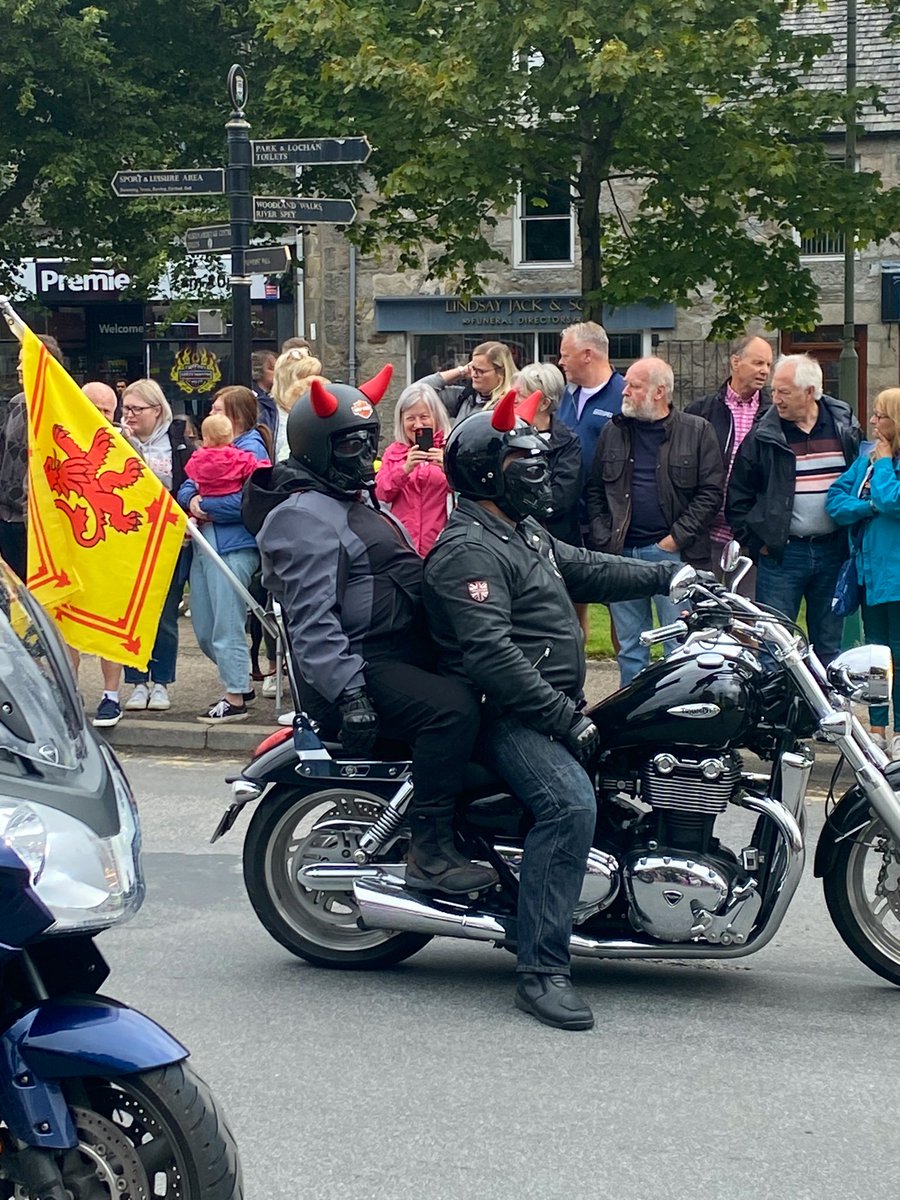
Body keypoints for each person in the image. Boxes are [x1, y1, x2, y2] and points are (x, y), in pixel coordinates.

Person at [423, 394, 679, 1031]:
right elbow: (491, 658)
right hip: (508, 714)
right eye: (523, 463)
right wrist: (564, 719)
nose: (539, 474)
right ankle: (541, 971)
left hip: (543, 706)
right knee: (570, 806)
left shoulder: (519, 530)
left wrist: (671, 577)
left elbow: (583, 567)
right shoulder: (469, 551)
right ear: (489, 472)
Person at [243, 366, 497, 895]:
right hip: (361, 666)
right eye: (351, 447)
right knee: (451, 710)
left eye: (369, 444)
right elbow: (311, 619)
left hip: (394, 653)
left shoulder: (348, 500)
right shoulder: (303, 515)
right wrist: (350, 692)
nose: (366, 458)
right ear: (317, 449)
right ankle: (429, 851)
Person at [586, 357, 724, 685]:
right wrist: (604, 536)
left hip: (673, 556)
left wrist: (674, 540)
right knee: (631, 647)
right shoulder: (613, 431)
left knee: (681, 643)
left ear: (659, 391)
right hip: (622, 556)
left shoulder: (697, 431)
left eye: (634, 385)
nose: (625, 391)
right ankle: (634, 720)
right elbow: (594, 491)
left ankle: (677, 716)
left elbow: (711, 494)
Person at [727, 353, 862, 667]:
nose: (775, 399)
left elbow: (859, 479)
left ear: (810, 392)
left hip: (833, 551)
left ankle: (826, 713)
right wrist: (759, 543)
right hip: (783, 556)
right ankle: (777, 716)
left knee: (829, 646)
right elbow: (738, 497)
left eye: (784, 392)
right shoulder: (764, 433)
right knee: (775, 646)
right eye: (774, 391)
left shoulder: (843, 425)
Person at [177, 386, 271, 723]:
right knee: (204, 626)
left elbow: (252, 499)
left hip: (234, 545)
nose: (212, 415)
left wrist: (205, 506)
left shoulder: (251, 451)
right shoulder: (212, 448)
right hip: (206, 541)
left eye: (219, 410)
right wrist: (194, 502)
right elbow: (187, 483)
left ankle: (234, 697)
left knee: (226, 622)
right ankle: (239, 681)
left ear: (238, 416)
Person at [827, 388, 900, 756]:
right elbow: (836, 502)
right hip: (869, 575)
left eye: (880, 416)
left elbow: (893, 500)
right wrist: (867, 506)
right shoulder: (867, 460)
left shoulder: (882, 462)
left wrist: (885, 464)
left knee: (898, 658)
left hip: (897, 578)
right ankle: (877, 728)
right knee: (875, 659)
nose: (872, 422)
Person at [120, 379, 195, 713]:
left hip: (169, 541)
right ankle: (137, 682)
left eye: (137, 409)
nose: (130, 414)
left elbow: (190, 483)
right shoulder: (117, 441)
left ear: (157, 410)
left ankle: (161, 681)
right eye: (127, 408)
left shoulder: (178, 444)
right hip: (128, 539)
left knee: (165, 614)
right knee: (133, 614)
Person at [686, 334, 773, 588]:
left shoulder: (773, 416)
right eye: (758, 363)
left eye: (768, 365)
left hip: (750, 538)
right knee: (703, 613)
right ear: (736, 362)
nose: (764, 371)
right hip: (706, 534)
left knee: (744, 621)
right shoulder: (702, 411)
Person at [73, 382, 127, 728]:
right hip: (73, 546)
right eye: (95, 408)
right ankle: (69, 693)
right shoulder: (60, 438)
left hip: (112, 548)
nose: (102, 416)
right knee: (67, 623)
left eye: (108, 410)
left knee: (111, 623)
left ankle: (111, 696)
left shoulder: (125, 443)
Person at [0, 334, 64, 579]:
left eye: (23, 360)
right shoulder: (16, 403)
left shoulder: (60, 408)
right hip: (6, 519)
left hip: (38, 524)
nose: (17, 367)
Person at [374, 382, 452, 554]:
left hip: (442, 546)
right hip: (402, 545)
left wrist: (448, 467)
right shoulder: (393, 452)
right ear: (401, 421)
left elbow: (469, 493)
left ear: (436, 417)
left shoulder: (451, 449)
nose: (417, 425)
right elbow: (379, 494)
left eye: (424, 417)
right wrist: (404, 469)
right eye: (410, 418)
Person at [512, 363, 583, 546]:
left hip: (557, 541)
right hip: (513, 539)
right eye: (513, 393)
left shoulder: (568, 442)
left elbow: (562, 496)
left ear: (544, 403)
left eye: (521, 395)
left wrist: (517, 505)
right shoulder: (506, 437)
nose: (514, 399)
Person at [556, 321, 626, 484]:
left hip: (605, 502)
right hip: (568, 503)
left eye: (565, 355)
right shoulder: (565, 395)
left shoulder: (625, 396)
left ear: (587, 355)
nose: (560, 362)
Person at [418, 340, 517, 421]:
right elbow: (418, 391)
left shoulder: (512, 404)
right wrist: (461, 371)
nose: (474, 375)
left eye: (481, 371)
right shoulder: (465, 397)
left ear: (501, 372)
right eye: (473, 368)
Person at [271, 349, 325, 461]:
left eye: (317, 375)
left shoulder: (321, 412)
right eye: (307, 377)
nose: (315, 381)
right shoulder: (267, 413)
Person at [251, 350, 278, 437]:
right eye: (271, 368)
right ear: (258, 370)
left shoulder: (276, 396)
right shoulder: (253, 397)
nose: (276, 373)